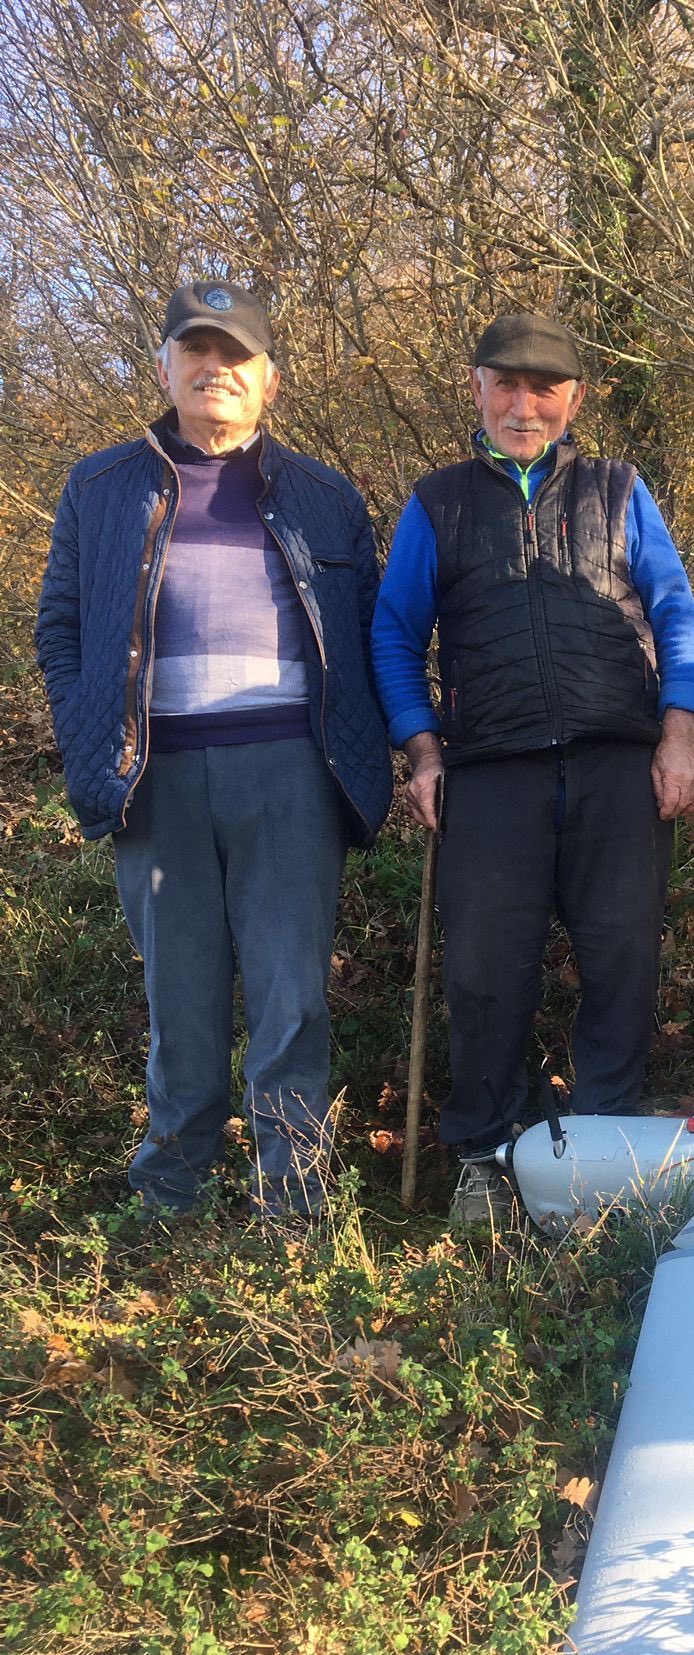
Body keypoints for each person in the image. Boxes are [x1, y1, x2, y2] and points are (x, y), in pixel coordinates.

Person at [36, 280, 393, 1214]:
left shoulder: (325, 495)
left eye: (236, 356)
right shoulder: (100, 487)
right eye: (196, 351)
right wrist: (87, 732)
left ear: (269, 378)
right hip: (152, 773)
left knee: (291, 996)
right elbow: (60, 627)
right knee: (181, 997)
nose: (215, 370)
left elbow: (369, 635)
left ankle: (293, 1196)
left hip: (290, 772)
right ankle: (171, 1192)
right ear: (164, 368)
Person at [371, 310, 694, 1223]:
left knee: (622, 961)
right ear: (477, 388)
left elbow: (675, 611)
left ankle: (604, 1153)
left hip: (620, 764)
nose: (525, 406)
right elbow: (395, 635)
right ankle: (487, 1155)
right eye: (507, 386)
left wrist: (681, 733)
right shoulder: (436, 503)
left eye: (544, 389)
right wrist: (422, 749)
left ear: (575, 399)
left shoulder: (619, 489)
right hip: (490, 771)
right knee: (485, 972)